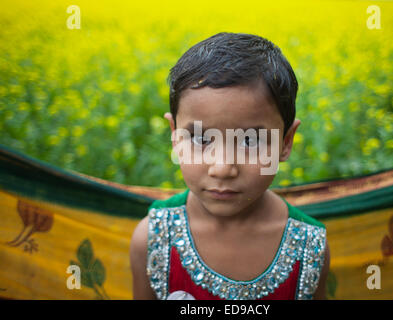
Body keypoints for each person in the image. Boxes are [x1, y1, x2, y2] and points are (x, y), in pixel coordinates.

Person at [130, 32, 330, 300]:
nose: (222, 168)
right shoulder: (152, 240)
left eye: (250, 140)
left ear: (285, 142)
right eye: (201, 139)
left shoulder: (310, 249)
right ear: (175, 137)